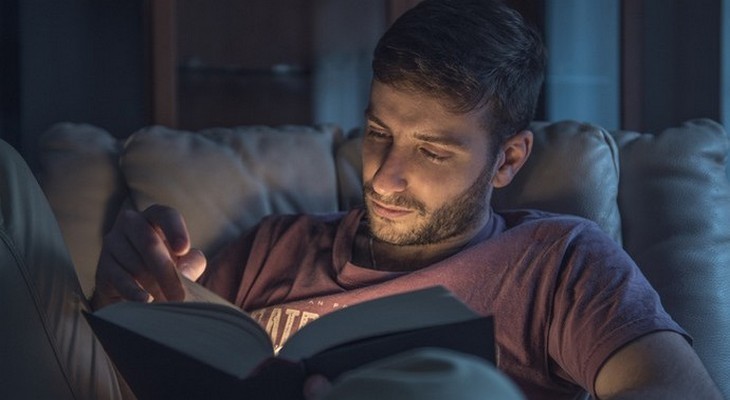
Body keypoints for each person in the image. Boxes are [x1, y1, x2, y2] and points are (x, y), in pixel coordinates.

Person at [3, 0, 720, 399]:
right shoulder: (275, 245)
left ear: (507, 160)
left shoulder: (558, 260)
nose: (385, 175)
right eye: (380, 132)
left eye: (432, 151)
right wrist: (129, 293)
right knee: (8, 182)